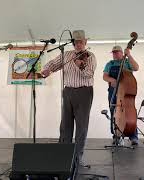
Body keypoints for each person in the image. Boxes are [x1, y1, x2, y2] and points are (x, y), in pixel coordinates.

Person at [41, 30, 97, 167]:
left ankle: (77, 156)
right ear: (73, 43)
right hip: (68, 91)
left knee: (81, 125)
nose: (78, 44)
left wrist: (80, 65)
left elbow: (89, 74)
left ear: (85, 42)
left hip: (84, 92)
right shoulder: (66, 55)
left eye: (81, 42)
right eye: (76, 42)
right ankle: (63, 153)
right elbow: (54, 64)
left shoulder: (90, 56)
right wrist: (46, 70)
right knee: (65, 124)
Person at [103, 45, 139, 145]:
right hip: (113, 91)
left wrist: (129, 56)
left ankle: (133, 135)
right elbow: (105, 76)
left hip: (126, 91)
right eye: (113, 53)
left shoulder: (127, 62)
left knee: (130, 112)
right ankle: (116, 135)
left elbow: (136, 68)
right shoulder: (109, 64)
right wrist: (112, 80)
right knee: (113, 111)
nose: (114, 54)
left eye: (116, 52)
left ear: (122, 53)